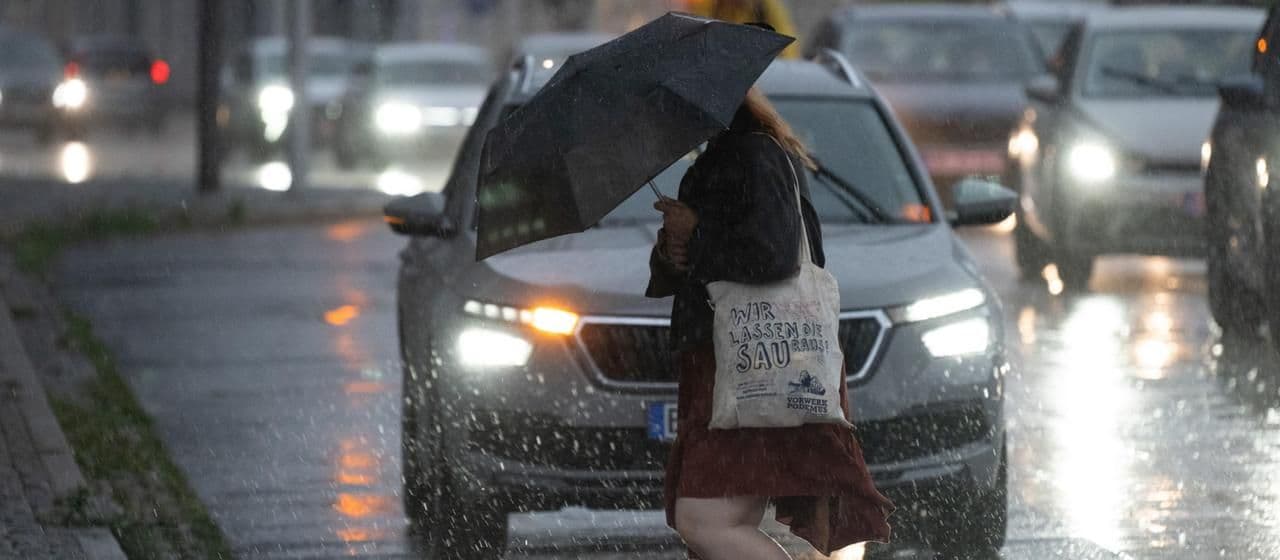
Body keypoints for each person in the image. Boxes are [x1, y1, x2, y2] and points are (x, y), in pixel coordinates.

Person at [646, 86, 895, 559]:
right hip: (737, 365)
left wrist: (696, 236)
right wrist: (673, 252)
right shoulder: (722, 158)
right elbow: (711, 260)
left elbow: (773, 255)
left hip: (751, 366)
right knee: (718, 520)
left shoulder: (753, 155)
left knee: (703, 518)